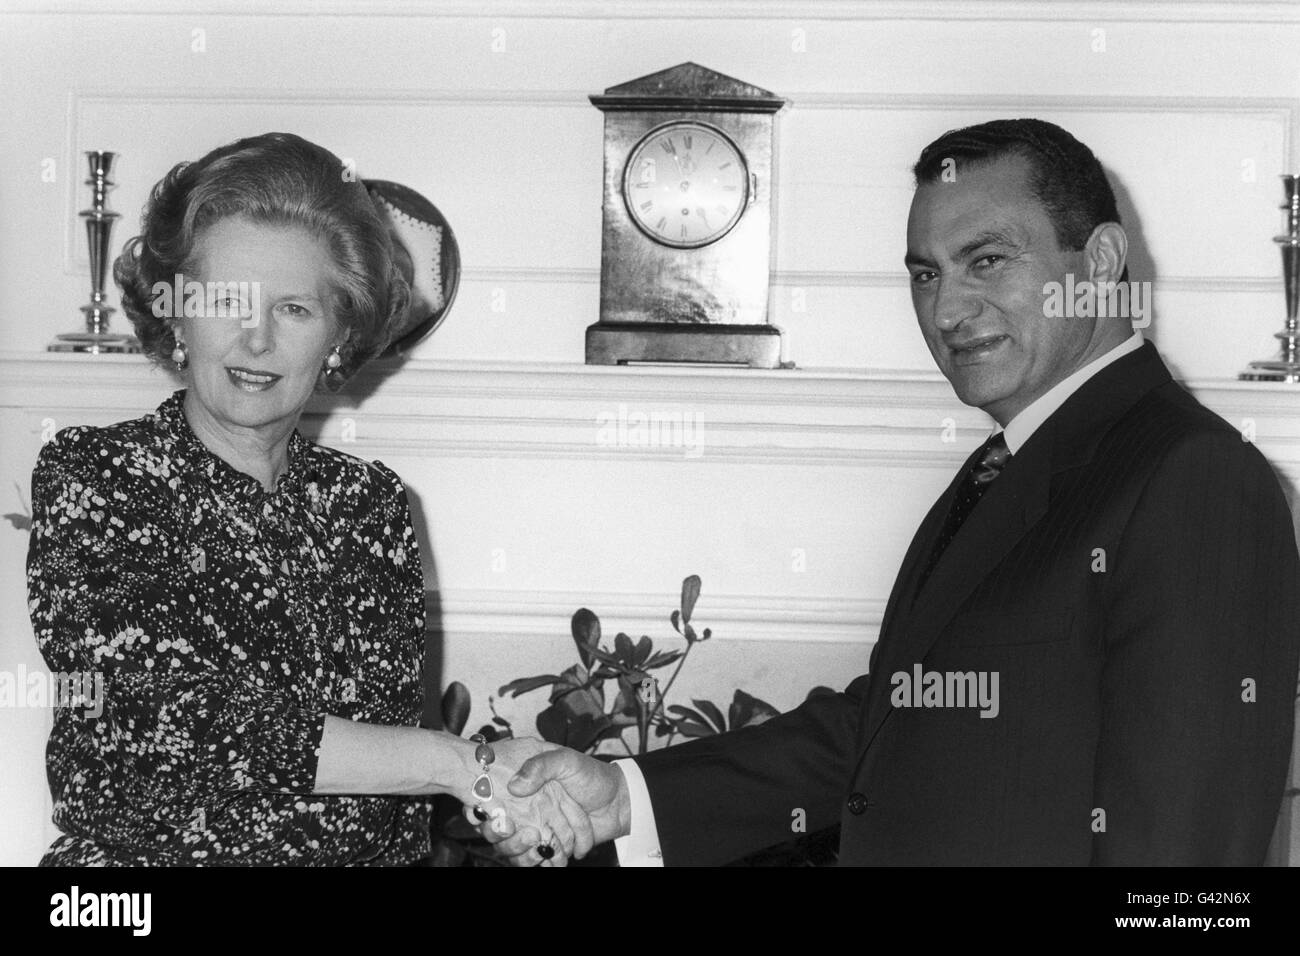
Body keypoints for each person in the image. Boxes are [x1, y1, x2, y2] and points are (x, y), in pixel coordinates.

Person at [480, 118, 1300, 866]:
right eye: (924, 274)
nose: (947, 308)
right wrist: (626, 795)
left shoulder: (1194, 476)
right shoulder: (1009, 467)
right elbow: (889, 730)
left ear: (1101, 263)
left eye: (987, 261)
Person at [27, 132, 585, 865]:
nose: (256, 341)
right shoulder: (97, 476)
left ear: (337, 335)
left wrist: (508, 813)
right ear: (176, 318)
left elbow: (388, 816)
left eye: (293, 309)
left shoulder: (371, 504)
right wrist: (459, 765)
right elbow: (166, 720)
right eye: (227, 301)